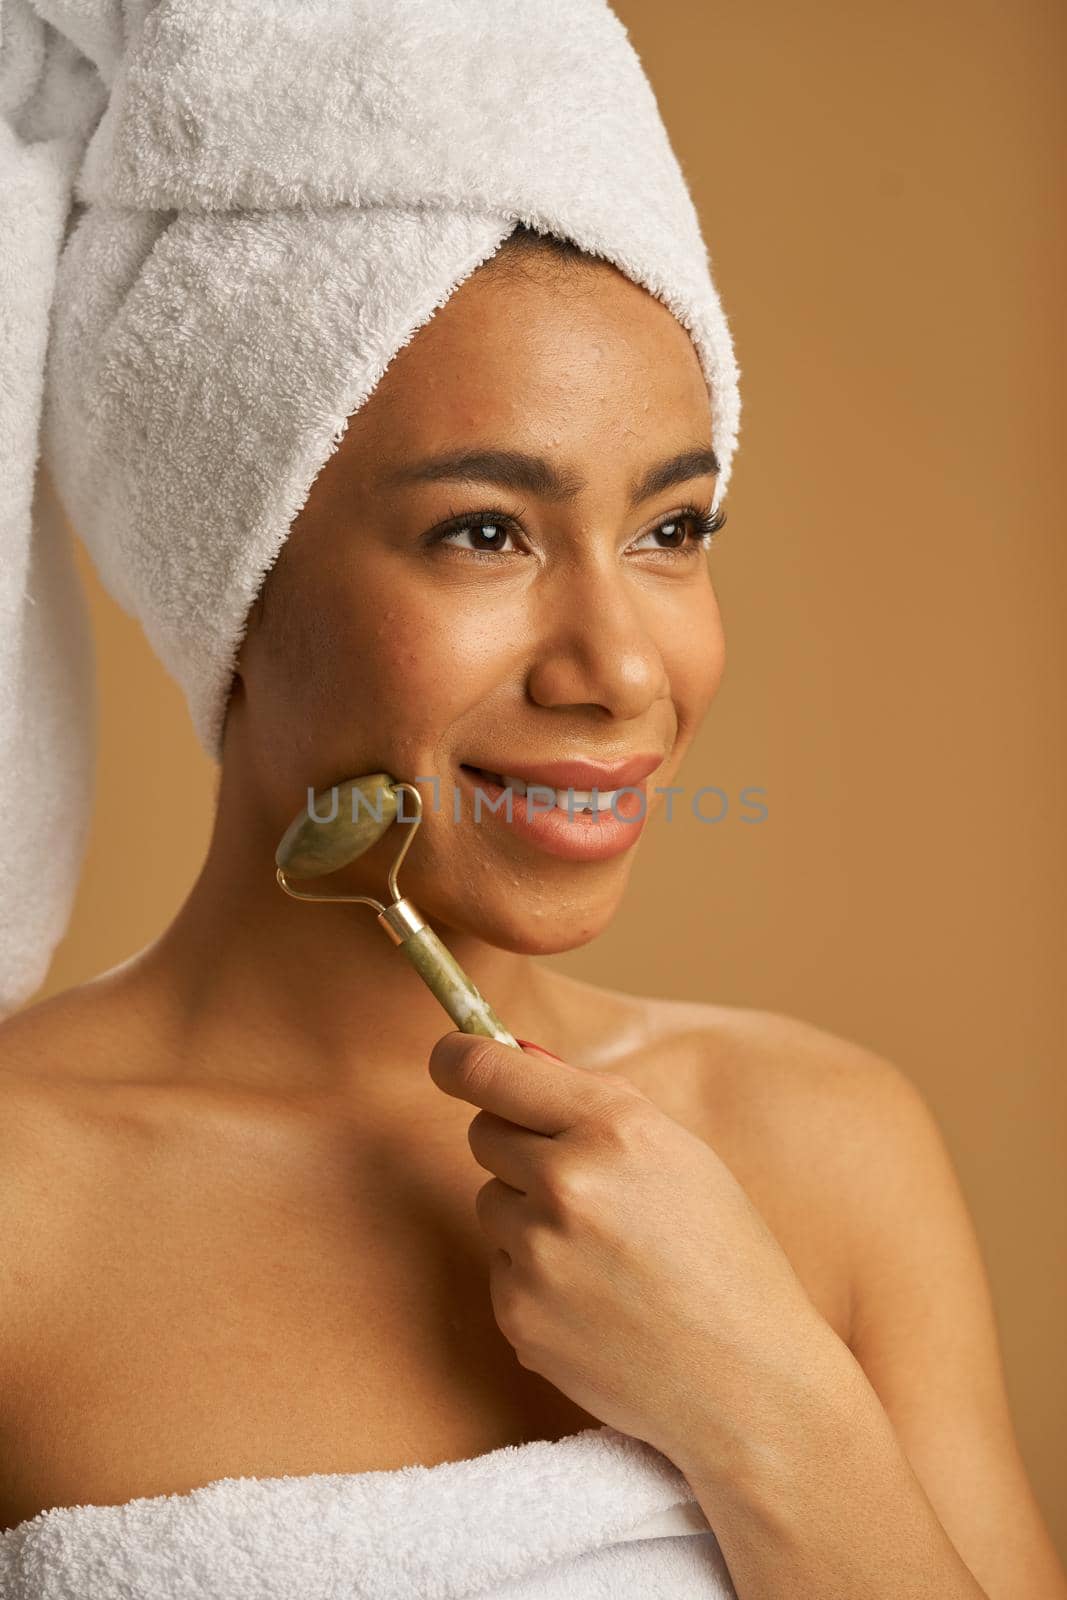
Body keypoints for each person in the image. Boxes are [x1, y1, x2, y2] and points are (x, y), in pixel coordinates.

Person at [1, 3, 1064, 1597]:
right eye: (484, 533)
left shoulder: (826, 1152)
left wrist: (766, 1406)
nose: (622, 668)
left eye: (673, 528)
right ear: (236, 576)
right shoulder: (24, 1210)